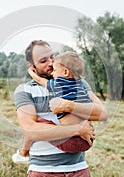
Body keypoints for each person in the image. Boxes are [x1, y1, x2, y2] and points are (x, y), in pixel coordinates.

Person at [13, 40, 108, 176]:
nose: (51, 63)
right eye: (43, 61)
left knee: (43, 123)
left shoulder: (78, 82)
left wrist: (67, 105)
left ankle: (23, 153)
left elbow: (102, 113)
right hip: (44, 171)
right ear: (32, 66)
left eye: (52, 57)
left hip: (79, 169)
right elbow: (31, 131)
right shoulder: (25, 90)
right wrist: (77, 129)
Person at [13, 51, 94, 159]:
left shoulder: (59, 84)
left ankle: (24, 152)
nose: (52, 73)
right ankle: (24, 152)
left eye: (55, 70)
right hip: (87, 140)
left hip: (70, 141)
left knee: (39, 122)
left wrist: (31, 72)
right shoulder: (81, 85)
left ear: (65, 72)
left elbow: (39, 80)